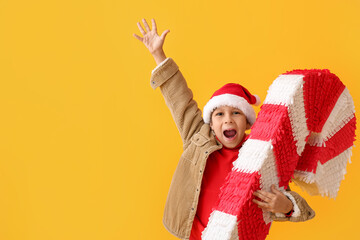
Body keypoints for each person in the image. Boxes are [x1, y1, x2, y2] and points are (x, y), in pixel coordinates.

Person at [133, 18, 315, 240]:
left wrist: (286, 205)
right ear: (211, 122)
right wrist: (158, 56)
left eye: (236, 113)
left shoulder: (259, 156)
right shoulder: (197, 137)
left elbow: (299, 207)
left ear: (248, 123)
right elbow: (180, 100)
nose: (228, 120)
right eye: (220, 114)